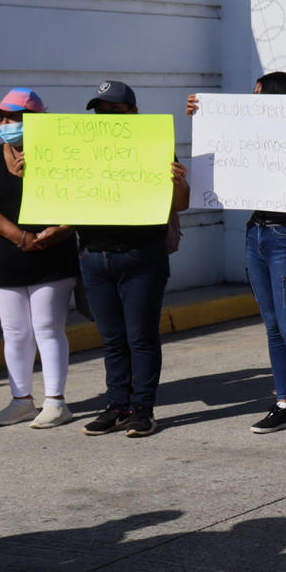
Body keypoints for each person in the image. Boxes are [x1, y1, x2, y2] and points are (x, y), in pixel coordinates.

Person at [187, 75, 286, 438]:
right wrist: (204, 120)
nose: (252, 98)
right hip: (255, 231)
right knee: (273, 328)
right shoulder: (250, 130)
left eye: (258, 93)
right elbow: (222, 150)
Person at [78, 81, 191, 439]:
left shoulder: (154, 144)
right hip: (94, 256)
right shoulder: (80, 148)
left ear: (133, 112)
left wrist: (179, 183)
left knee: (140, 337)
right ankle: (117, 406)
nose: (105, 117)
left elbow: (181, 203)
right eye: (100, 111)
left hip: (141, 255)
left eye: (113, 110)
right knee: (112, 338)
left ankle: (142, 408)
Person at [0, 89, 78, 428]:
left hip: (52, 256)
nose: (5, 124)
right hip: (6, 259)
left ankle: (56, 402)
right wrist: (20, 237)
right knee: (14, 331)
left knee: (48, 328)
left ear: (36, 122)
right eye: (2, 118)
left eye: (13, 117)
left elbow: (83, 199)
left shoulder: (62, 156)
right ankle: (20, 401)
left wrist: (59, 230)